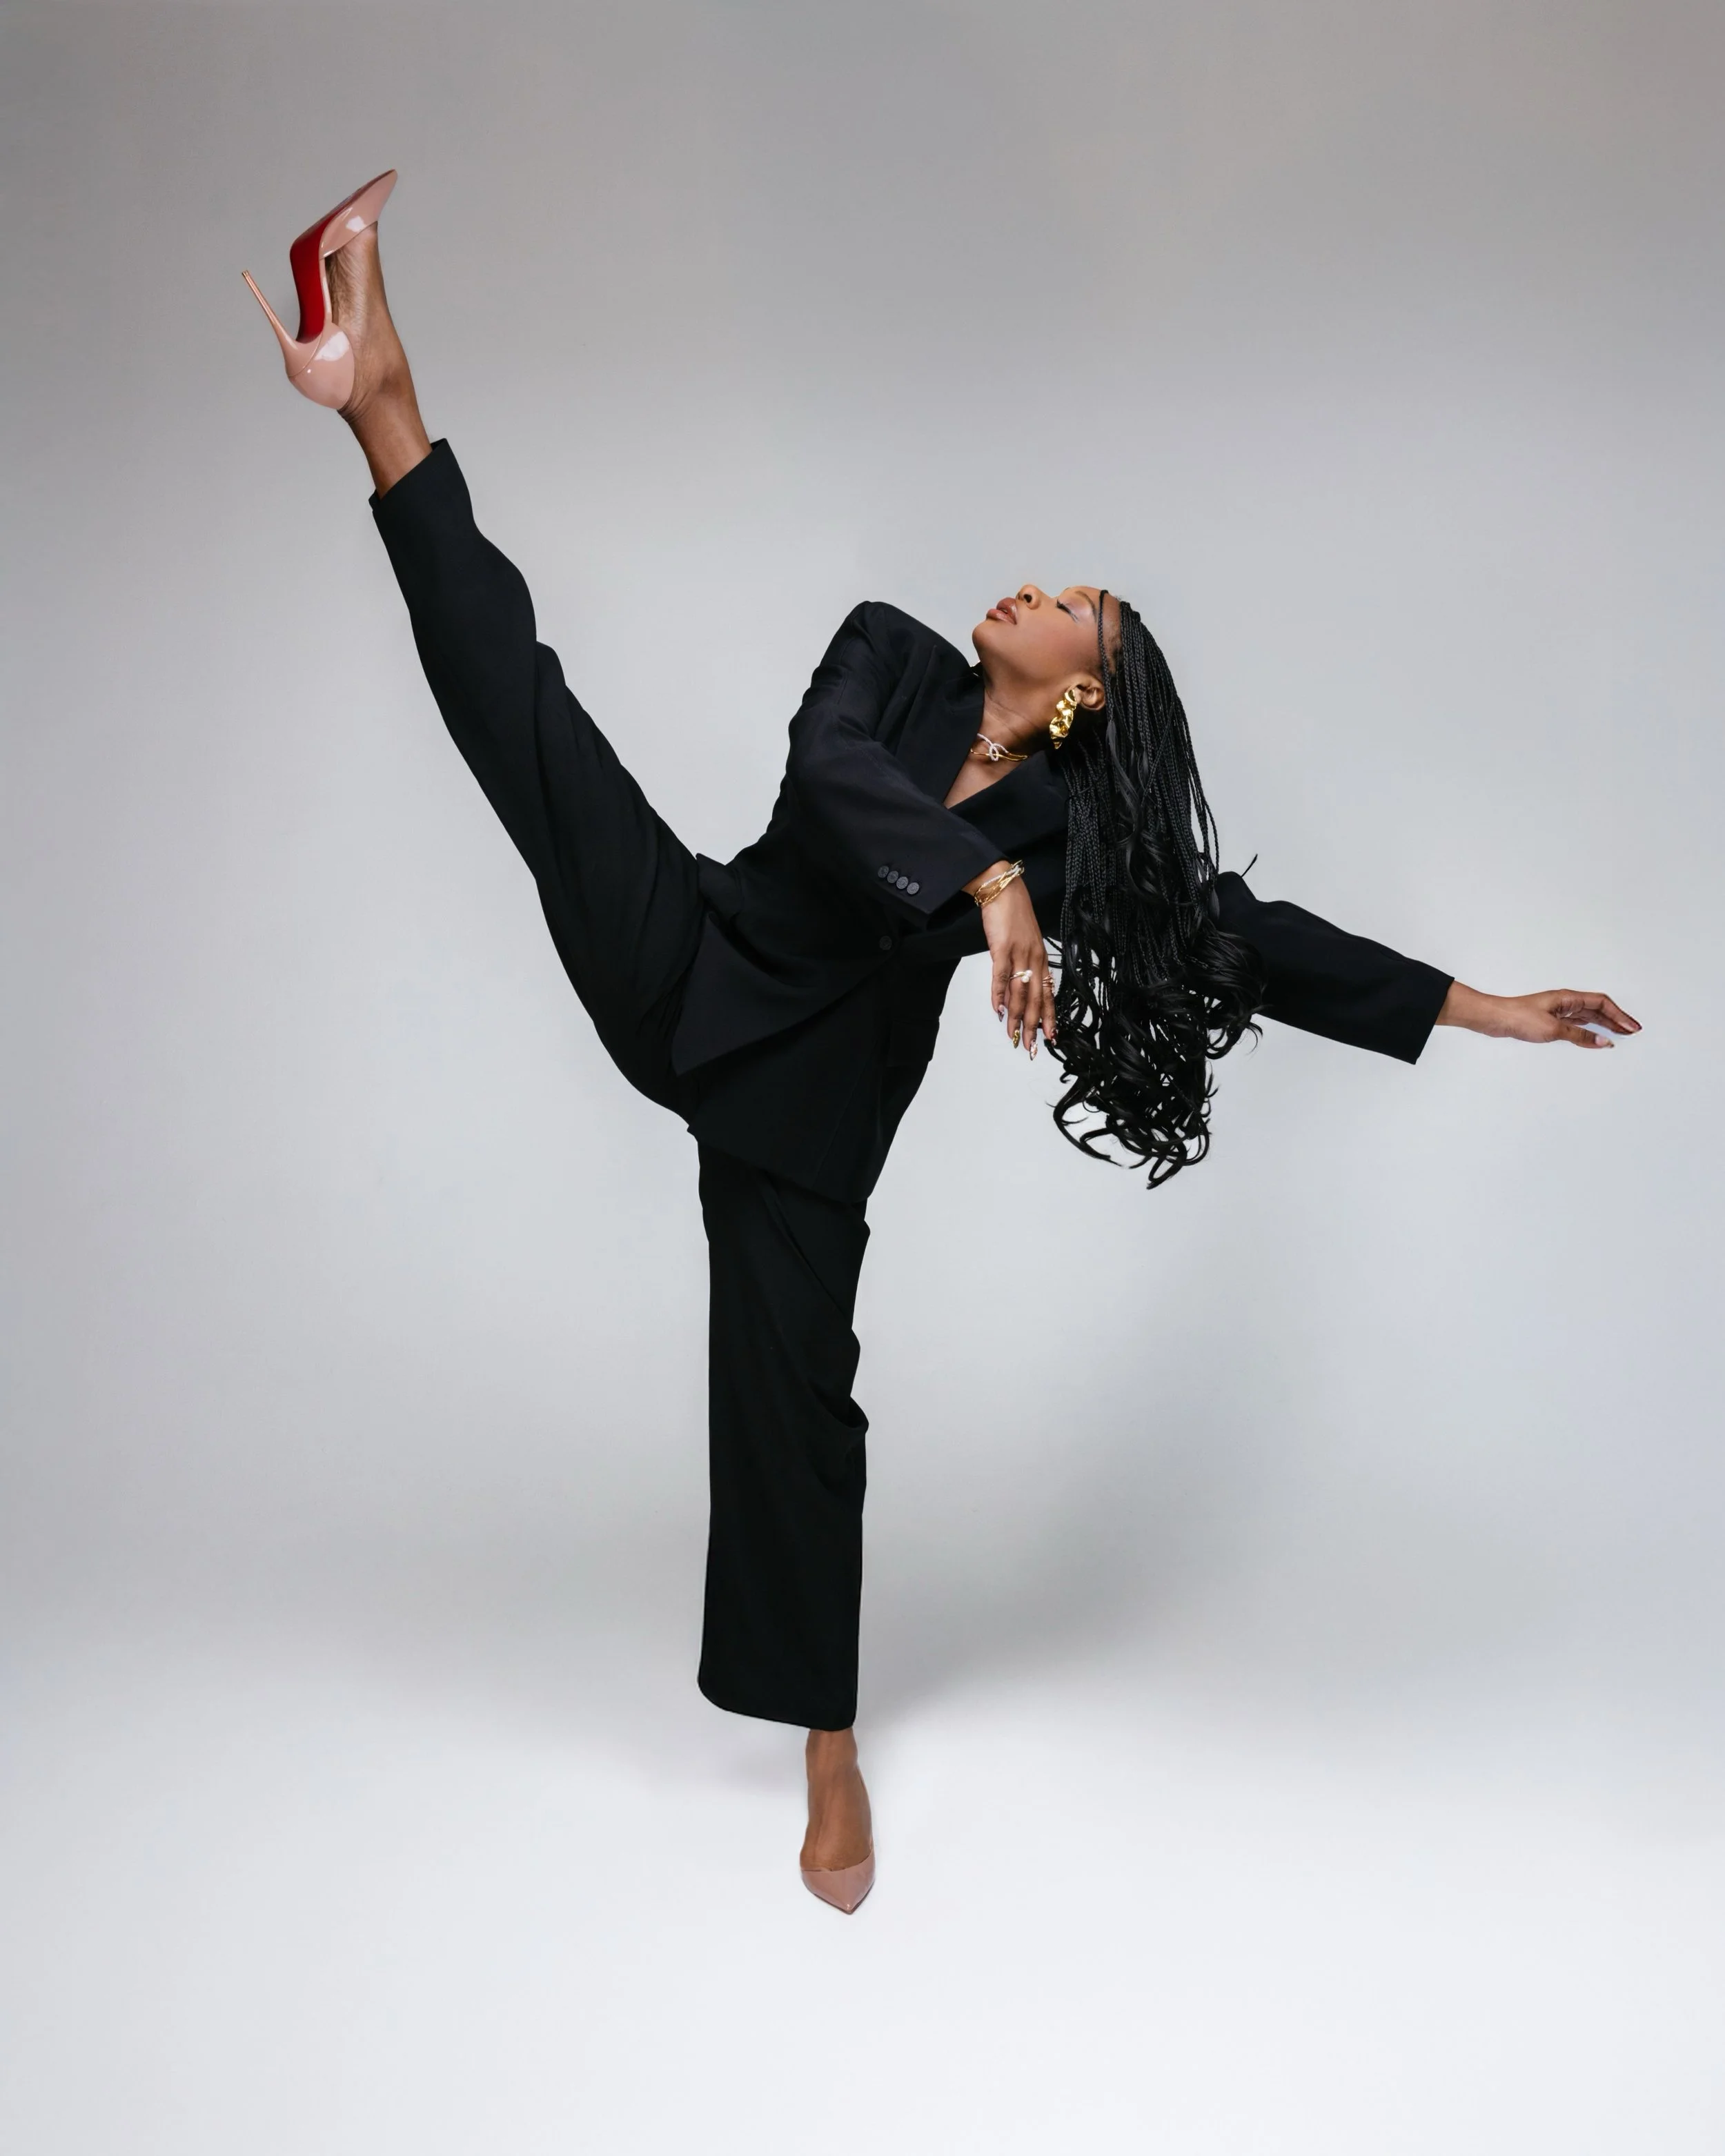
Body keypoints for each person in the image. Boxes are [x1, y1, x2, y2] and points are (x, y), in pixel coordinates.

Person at [244, 174, 1639, 1913]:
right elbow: (830, 785)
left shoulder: (1078, 841)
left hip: (802, 1122)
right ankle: (378, 393)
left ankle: (821, 1743)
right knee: (521, 720)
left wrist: (1476, 1003)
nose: (1036, 582)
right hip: (692, 956)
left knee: (794, 1419)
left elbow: (1244, 939)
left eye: (1075, 602)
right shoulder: (887, 657)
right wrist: (979, 883)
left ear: (1078, 695)